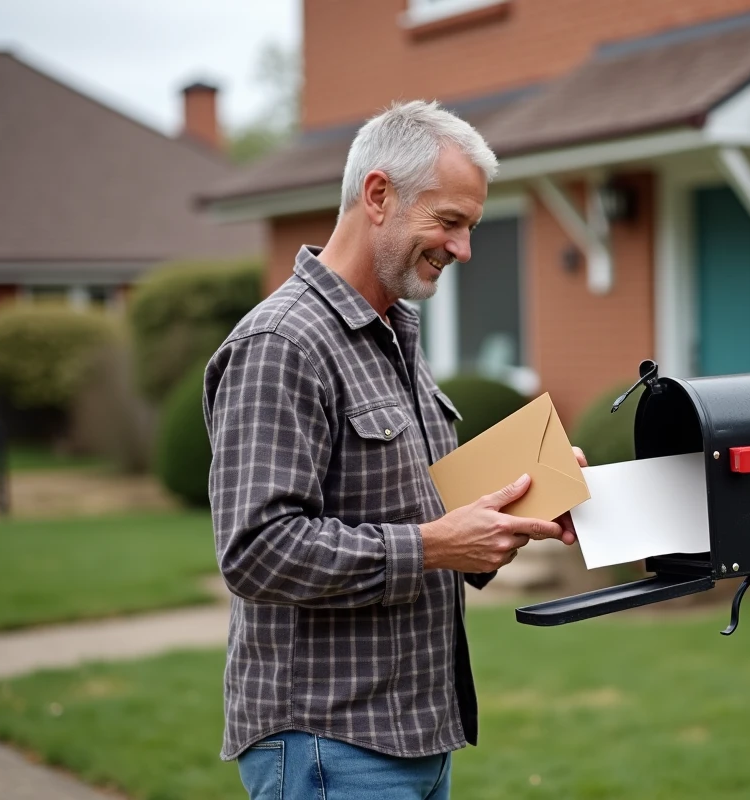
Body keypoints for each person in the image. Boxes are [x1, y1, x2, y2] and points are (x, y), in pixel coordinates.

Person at [203, 100, 585, 799]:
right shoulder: (282, 344)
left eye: (470, 227)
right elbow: (256, 550)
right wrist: (434, 547)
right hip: (328, 742)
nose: (463, 249)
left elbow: (416, 509)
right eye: (449, 222)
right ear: (378, 195)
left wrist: (526, 501)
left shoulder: (394, 333)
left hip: (413, 732)